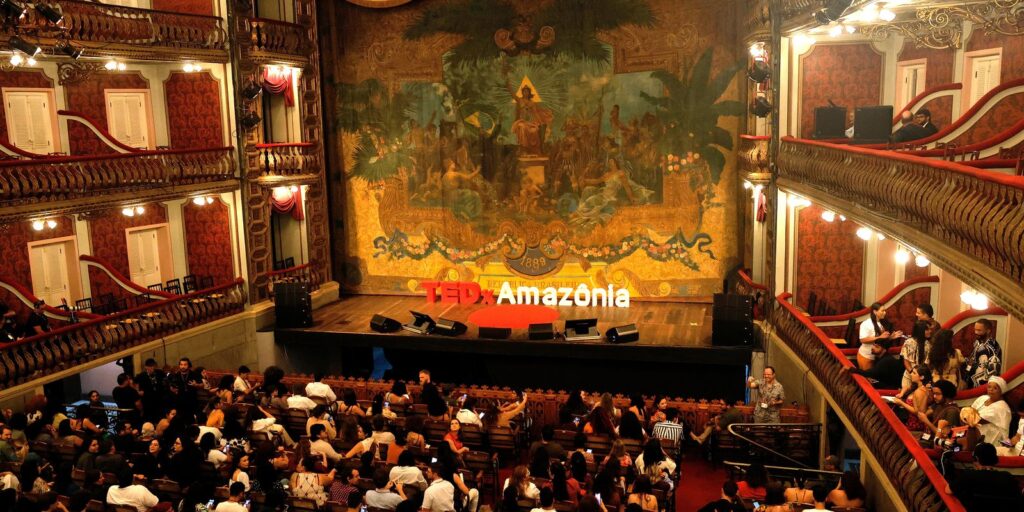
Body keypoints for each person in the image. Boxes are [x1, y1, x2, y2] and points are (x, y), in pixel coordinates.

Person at [946, 442, 1024, 509]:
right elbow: (1018, 500)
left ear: (977, 458)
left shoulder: (968, 475)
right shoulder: (1008, 477)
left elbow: (948, 490)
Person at [857, 303, 901, 370]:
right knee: (866, 376)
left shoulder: (880, 322)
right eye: (882, 311)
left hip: (876, 356)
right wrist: (879, 337)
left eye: (885, 310)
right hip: (866, 356)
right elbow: (862, 340)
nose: (885, 313)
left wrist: (891, 337)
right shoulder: (866, 323)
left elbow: (880, 341)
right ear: (875, 311)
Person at [969, 376, 1011, 444]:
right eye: (989, 387)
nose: (991, 390)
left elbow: (977, 420)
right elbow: (969, 410)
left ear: (1001, 391)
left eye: (995, 388)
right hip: (976, 435)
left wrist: (970, 414)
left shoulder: (1002, 407)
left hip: (991, 442)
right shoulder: (983, 398)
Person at [892, 364, 933, 431]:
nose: (911, 374)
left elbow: (918, 412)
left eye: (914, 373)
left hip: (915, 426)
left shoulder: (920, 391)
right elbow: (906, 388)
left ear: (922, 377)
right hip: (912, 423)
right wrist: (902, 393)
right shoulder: (918, 387)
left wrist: (901, 403)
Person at [965, 319, 1002, 388]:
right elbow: (972, 360)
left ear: (988, 331)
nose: (976, 332)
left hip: (983, 386)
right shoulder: (978, 342)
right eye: (975, 329)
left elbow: (993, 371)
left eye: (979, 330)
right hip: (971, 382)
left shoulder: (992, 347)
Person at [900, 320, 929, 389]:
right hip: (909, 375)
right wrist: (912, 373)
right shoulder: (909, 342)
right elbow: (906, 360)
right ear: (921, 330)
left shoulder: (928, 344)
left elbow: (927, 363)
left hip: (922, 377)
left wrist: (919, 375)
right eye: (927, 330)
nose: (930, 331)